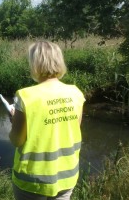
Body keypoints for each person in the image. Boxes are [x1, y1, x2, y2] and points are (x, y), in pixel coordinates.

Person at [9, 41, 85, 200]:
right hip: (67, 176)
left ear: (35, 63)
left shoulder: (25, 96)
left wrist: (14, 118)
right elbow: (72, 129)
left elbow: (16, 140)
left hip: (32, 180)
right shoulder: (76, 93)